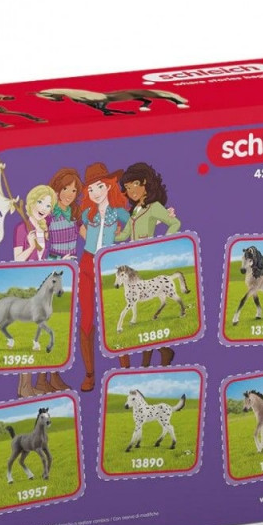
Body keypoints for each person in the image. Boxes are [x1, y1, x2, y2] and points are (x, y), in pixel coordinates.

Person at [116, 162, 181, 368]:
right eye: (127, 188)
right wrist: (112, 234)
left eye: (134, 184)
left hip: (147, 261)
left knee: (144, 310)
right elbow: (125, 235)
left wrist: (161, 243)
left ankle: (150, 361)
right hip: (135, 261)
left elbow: (175, 223)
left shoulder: (154, 207)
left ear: (145, 183)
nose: (131, 191)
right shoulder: (134, 211)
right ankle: (162, 353)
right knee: (141, 311)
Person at [78, 162, 130, 391]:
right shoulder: (86, 214)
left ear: (109, 186)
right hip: (87, 263)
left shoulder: (119, 212)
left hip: (109, 265)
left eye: (99, 186)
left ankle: (125, 369)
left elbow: (134, 228)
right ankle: (89, 373)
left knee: (114, 314)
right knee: (87, 318)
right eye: (90, 189)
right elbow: (81, 229)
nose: (95, 192)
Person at [34, 167, 83, 393]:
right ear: (56, 189)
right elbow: (40, 246)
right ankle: (42, 379)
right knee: (48, 323)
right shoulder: (49, 213)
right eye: (65, 189)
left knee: (63, 326)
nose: (69, 194)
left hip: (70, 275)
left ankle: (53, 375)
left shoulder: (74, 213)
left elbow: (88, 236)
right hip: (52, 274)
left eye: (74, 190)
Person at [12, 185, 55, 398]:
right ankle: (25, 387)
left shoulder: (43, 228)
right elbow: (16, 260)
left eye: (48, 205)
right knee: (29, 334)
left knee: (36, 334)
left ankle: (26, 387)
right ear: (31, 202)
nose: (44, 208)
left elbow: (43, 259)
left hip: (39, 288)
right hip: (25, 286)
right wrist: (30, 246)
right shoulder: (22, 228)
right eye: (41, 202)